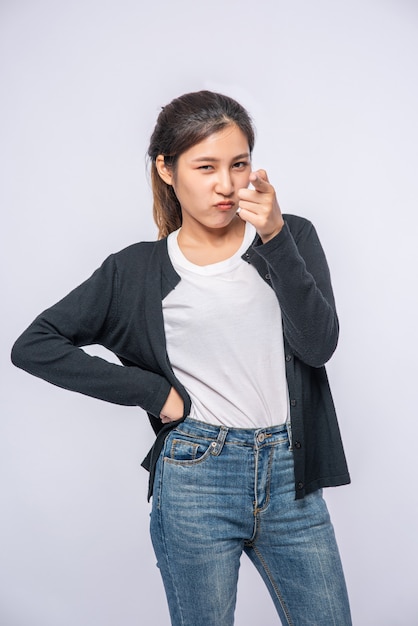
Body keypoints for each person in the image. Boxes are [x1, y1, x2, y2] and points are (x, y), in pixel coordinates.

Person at [11, 90, 352, 625]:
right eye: (206, 166)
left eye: (238, 164)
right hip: (197, 475)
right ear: (167, 170)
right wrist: (153, 393)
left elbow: (319, 345)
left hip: (292, 474)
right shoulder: (136, 271)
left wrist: (276, 237)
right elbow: (35, 344)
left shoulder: (290, 236)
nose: (226, 184)